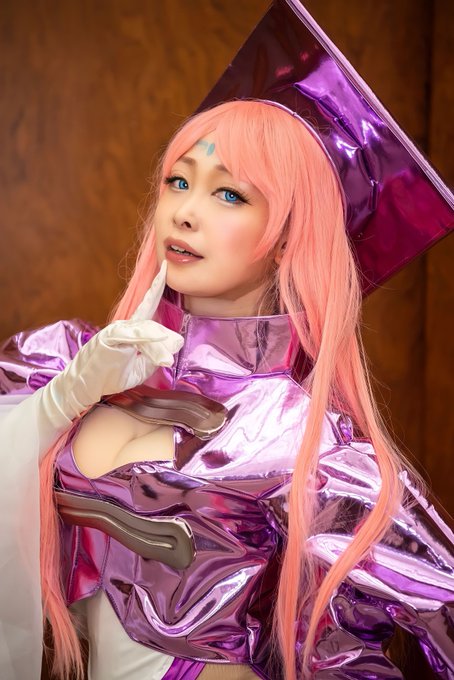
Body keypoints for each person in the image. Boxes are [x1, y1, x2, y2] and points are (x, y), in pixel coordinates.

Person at [1, 3, 453, 680]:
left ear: (292, 238)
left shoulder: (310, 444)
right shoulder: (69, 361)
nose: (184, 211)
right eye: (179, 181)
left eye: (230, 195)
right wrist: (61, 399)